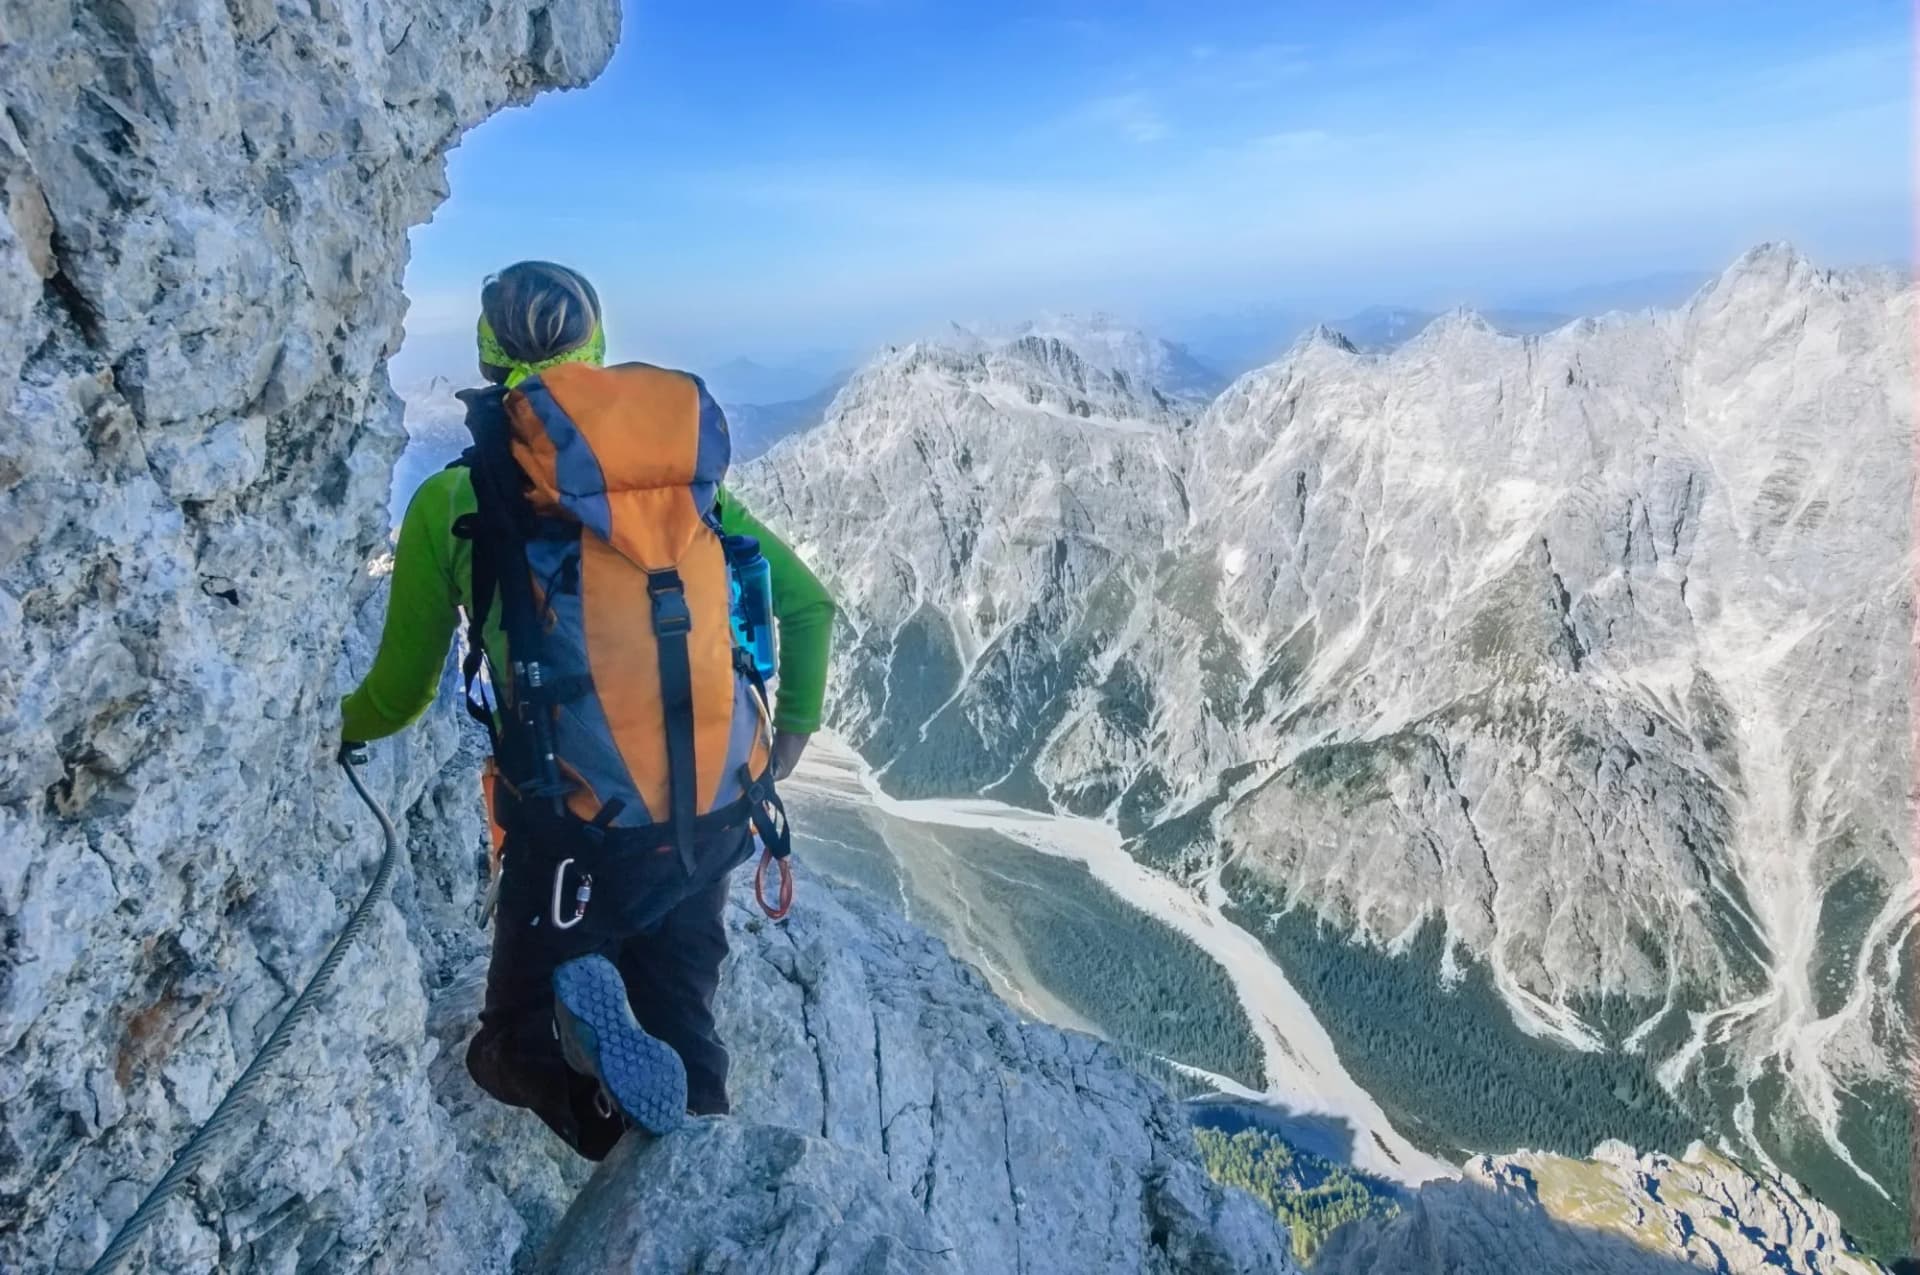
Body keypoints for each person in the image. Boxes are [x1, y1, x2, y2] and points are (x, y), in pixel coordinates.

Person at [339, 261, 835, 1158]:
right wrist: (791, 732)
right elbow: (807, 605)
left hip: (576, 839)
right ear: (597, 346)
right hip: (714, 817)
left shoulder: (456, 499)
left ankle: (598, 1076)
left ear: (489, 358)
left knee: (507, 1044)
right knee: (687, 1035)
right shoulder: (687, 486)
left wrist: (333, 728)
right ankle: (700, 1178)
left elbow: (401, 692)